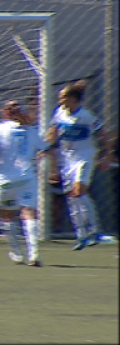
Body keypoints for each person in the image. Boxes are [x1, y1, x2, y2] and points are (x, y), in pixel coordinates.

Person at [46, 80, 111, 250]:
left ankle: (95, 230)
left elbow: (103, 134)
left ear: (73, 99)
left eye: (63, 97)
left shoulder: (86, 116)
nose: (60, 101)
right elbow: (53, 131)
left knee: (79, 192)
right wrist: (45, 147)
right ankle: (81, 234)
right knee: (72, 197)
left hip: (84, 158)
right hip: (66, 160)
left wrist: (106, 155)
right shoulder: (59, 113)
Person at [0, 100, 49, 266]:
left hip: (5, 179)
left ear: (4, 112)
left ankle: (16, 252)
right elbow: (46, 148)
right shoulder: (32, 130)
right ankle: (34, 254)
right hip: (26, 178)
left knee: (7, 215)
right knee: (29, 213)